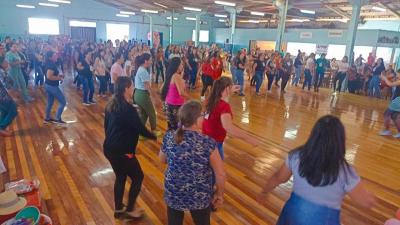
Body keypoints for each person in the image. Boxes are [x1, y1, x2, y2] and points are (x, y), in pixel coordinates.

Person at [258, 115, 376, 225]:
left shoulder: (296, 156)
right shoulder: (346, 171)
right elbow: (364, 202)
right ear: (341, 141)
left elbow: (278, 178)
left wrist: (264, 192)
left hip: (293, 214)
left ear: (313, 136)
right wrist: (370, 199)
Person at [159, 100, 226, 225]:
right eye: (203, 115)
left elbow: (162, 159)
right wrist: (219, 194)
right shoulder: (207, 142)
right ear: (196, 119)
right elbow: (220, 174)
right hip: (199, 193)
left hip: (173, 190)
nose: (205, 118)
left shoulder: (169, 136)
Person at [103, 76, 157, 220]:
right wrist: (155, 136)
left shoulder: (111, 105)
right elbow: (140, 129)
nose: (133, 88)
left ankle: (119, 210)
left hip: (109, 148)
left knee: (120, 176)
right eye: (131, 86)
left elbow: (106, 127)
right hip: (122, 151)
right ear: (126, 89)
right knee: (138, 176)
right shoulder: (128, 109)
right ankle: (130, 211)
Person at [203, 77, 259, 160]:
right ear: (226, 88)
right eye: (231, 85)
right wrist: (249, 139)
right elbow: (229, 128)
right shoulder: (224, 106)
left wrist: (230, 89)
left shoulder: (210, 100)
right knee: (218, 170)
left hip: (205, 139)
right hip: (215, 144)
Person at [134, 53, 160, 135]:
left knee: (144, 114)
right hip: (142, 95)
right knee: (152, 112)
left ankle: (140, 133)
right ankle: (153, 131)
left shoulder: (141, 69)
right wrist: (155, 98)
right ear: (146, 61)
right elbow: (148, 87)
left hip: (138, 94)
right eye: (150, 60)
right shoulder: (143, 71)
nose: (152, 61)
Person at [161, 57, 187, 130]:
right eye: (181, 64)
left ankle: (168, 140)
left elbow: (161, 88)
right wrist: (191, 98)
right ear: (177, 65)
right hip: (176, 105)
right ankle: (175, 140)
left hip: (168, 103)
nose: (183, 66)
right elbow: (181, 92)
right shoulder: (176, 76)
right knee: (177, 127)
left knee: (171, 126)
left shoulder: (170, 75)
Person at [43, 51, 66, 124]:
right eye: (54, 55)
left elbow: (51, 75)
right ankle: (57, 119)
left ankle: (47, 118)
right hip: (52, 86)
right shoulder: (51, 64)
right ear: (50, 57)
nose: (56, 56)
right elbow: (49, 76)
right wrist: (59, 78)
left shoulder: (49, 63)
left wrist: (59, 76)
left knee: (50, 103)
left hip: (48, 85)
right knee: (63, 102)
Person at [379, 71, 400, 138]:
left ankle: (387, 131)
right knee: (395, 116)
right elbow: (390, 82)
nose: (396, 75)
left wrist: (385, 78)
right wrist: (386, 78)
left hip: (398, 101)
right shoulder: (398, 80)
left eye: (397, 74)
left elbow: (390, 84)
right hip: (397, 101)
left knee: (386, 114)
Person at [0, 57, 17, 136]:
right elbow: (6, 86)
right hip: (3, 97)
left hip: (3, 97)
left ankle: (1, 127)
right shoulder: (1, 72)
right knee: (13, 111)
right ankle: (1, 128)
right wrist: (13, 97)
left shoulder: (3, 71)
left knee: (4, 111)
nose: (7, 62)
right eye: (5, 61)